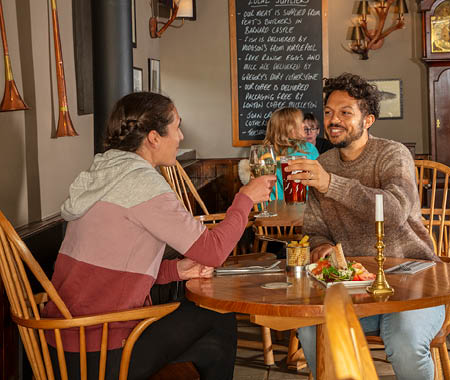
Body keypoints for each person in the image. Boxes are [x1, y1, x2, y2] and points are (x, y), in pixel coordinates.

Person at [42, 92, 276, 380]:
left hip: (61, 346)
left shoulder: (104, 173)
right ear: (154, 137)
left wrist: (176, 269)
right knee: (218, 318)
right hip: (102, 351)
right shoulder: (141, 184)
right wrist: (244, 199)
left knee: (210, 343)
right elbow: (213, 252)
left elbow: (113, 268)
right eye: (176, 127)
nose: (179, 136)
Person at [285, 73, 444, 380]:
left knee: (404, 340)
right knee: (311, 329)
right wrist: (322, 247)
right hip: (353, 289)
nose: (334, 120)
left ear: (368, 119)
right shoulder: (324, 163)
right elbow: (314, 229)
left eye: (346, 112)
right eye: (329, 112)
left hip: (413, 283)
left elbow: (395, 211)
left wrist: (330, 184)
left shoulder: (392, 154)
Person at [263, 107, 319, 200]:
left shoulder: (265, 152)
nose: (304, 125)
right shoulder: (308, 148)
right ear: (291, 128)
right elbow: (318, 179)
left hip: (270, 208)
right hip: (303, 207)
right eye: (301, 122)